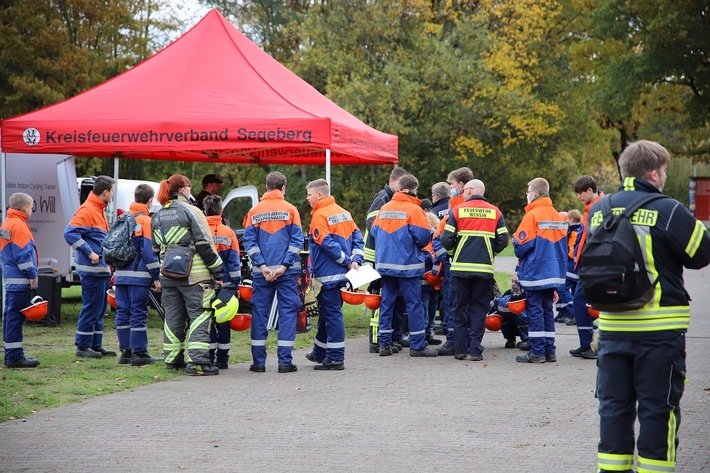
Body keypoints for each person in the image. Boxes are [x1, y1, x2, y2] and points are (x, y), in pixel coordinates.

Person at [590, 140, 710, 473]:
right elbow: (702, 254)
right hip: (659, 331)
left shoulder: (600, 209)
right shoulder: (667, 208)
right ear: (654, 173)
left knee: (613, 409)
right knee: (658, 411)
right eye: (666, 171)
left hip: (612, 329)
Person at [151, 174, 224, 376]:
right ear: (183, 189)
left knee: (173, 317)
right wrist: (218, 271)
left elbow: (156, 248)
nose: (191, 189)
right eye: (189, 186)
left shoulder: (157, 215)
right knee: (200, 315)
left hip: (167, 275)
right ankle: (198, 362)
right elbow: (204, 244)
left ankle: (172, 359)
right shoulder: (192, 211)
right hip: (195, 277)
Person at [369, 174, 438, 357]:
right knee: (413, 305)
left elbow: (374, 231)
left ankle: (384, 344)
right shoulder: (414, 210)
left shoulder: (385, 207)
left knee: (387, 303)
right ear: (413, 189)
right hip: (407, 265)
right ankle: (417, 346)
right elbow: (423, 237)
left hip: (385, 263)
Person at [441, 179, 509, 361]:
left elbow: (446, 238)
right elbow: (503, 240)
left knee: (458, 308)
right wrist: (490, 252)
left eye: (464, 190)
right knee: (479, 309)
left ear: (470, 190)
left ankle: (460, 349)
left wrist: (453, 253)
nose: (462, 192)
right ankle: (475, 350)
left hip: (460, 269)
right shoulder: (495, 212)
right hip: (483, 269)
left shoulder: (458, 210)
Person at [242, 172, 303, 373]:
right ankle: (285, 362)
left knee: (260, 313)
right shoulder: (291, 210)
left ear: (266, 186)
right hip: (286, 273)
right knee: (287, 313)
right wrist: (284, 266)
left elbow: (249, 242)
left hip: (262, 273)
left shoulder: (254, 211)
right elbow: (297, 242)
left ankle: (258, 363)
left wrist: (262, 266)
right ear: (283, 187)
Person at [305, 179, 364, 370]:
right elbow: (358, 237)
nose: (307, 198)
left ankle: (336, 357)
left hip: (328, 276)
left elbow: (327, 244)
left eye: (309, 194)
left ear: (319, 195)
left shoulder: (320, 216)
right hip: (345, 274)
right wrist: (355, 259)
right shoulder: (344, 212)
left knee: (332, 315)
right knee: (326, 314)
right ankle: (319, 352)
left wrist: (348, 261)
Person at [513, 177, 567, 363]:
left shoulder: (532, 215)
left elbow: (521, 246)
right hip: (554, 272)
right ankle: (549, 350)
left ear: (535, 193)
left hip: (536, 271)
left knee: (535, 311)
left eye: (528, 190)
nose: (527, 194)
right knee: (547, 311)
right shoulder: (556, 215)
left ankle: (537, 352)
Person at [64, 175, 116, 359]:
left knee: (100, 309)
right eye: (112, 191)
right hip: (92, 270)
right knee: (91, 308)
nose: (112, 195)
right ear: (105, 192)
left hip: (100, 270)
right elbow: (69, 233)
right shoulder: (87, 210)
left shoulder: (98, 209)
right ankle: (83, 346)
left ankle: (95, 345)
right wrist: (89, 253)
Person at [114, 184, 162, 366]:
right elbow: (148, 251)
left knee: (122, 312)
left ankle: (126, 352)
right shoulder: (145, 221)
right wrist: (155, 276)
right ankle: (140, 352)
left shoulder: (123, 217)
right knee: (138, 313)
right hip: (138, 274)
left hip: (120, 273)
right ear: (150, 201)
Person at [363, 167, 410, 352]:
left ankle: (393, 336)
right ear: (392, 181)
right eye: (400, 185)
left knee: (395, 300)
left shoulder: (391, 198)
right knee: (379, 298)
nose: (402, 190)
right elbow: (372, 224)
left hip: (386, 255)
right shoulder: (382, 198)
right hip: (375, 256)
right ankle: (376, 340)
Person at [434, 166, 474, 355]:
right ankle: (470, 341)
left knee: (454, 303)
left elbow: (441, 236)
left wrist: (445, 255)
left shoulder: (456, 207)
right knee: (472, 304)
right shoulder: (481, 208)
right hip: (477, 264)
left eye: (451, 184)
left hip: (455, 263)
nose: (450, 187)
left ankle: (454, 341)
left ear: (461, 185)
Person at [203, 194, 242, 370]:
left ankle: (209, 357)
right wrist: (235, 284)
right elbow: (234, 262)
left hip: (204, 284)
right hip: (226, 285)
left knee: (207, 321)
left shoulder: (199, 230)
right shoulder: (228, 233)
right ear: (221, 211)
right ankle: (223, 359)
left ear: (205, 210)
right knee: (224, 320)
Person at [1, 193, 40, 368]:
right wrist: (32, 275)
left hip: (11, 278)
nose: (31, 210)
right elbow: (23, 256)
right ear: (24, 207)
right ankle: (15, 357)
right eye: (31, 206)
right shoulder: (19, 225)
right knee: (15, 318)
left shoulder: (8, 223)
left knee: (10, 317)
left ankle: (11, 354)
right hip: (20, 279)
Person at [569, 175, 603, 359]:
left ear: (590, 190)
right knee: (581, 303)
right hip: (586, 264)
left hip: (593, 265)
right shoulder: (591, 208)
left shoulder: (599, 208)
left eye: (581, 193)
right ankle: (586, 344)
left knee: (583, 302)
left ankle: (592, 344)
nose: (579, 197)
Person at [554, 208, 582, 324]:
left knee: (563, 288)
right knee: (573, 291)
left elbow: (572, 251)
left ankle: (573, 312)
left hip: (572, 266)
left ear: (570, 220)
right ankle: (566, 311)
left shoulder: (574, 232)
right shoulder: (574, 231)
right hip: (573, 266)